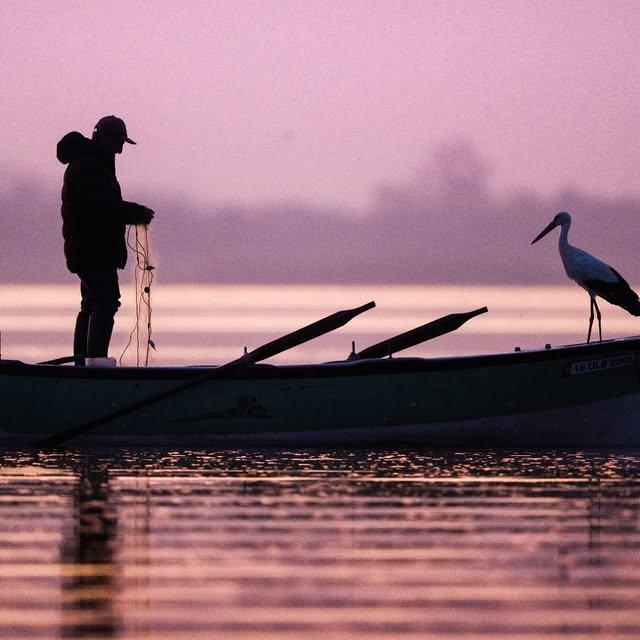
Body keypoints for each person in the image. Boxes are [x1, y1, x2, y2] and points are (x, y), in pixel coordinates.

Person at [56, 116, 154, 365]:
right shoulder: (89, 166)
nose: (121, 150)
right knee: (105, 302)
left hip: (89, 250)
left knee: (91, 304)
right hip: (93, 250)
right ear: (103, 138)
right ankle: (93, 365)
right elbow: (103, 208)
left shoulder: (92, 163)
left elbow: (103, 206)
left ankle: (83, 364)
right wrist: (137, 213)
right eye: (118, 142)